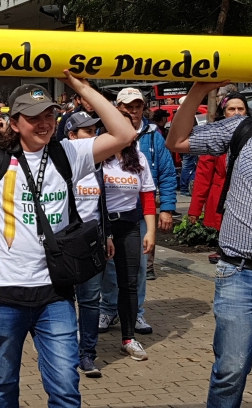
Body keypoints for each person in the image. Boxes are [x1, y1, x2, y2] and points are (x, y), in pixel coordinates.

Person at [0, 71, 136, 408]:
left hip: (56, 293)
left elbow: (124, 132)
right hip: (4, 293)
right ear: (15, 122)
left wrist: (82, 88)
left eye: (49, 115)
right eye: (33, 117)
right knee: (4, 384)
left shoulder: (70, 153)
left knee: (66, 388)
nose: (44, 123)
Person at [166, 79, 252, 408]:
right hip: (241, 273)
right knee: (231, 369)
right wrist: (196, 91)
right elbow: (177, 141)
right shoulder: (243, 129)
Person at [99, 87, 176, 335]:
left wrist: (167, 208)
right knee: (109, 267)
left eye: (137, 106)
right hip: (107, 216)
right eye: (127, 107)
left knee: (139, 267)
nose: (133, 111)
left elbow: (166, 173)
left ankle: (136, 314)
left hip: (139, 214)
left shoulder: (154, 135)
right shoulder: (104, 135)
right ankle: (108, 310)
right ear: (118, 108)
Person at [98, 113, 157, 361]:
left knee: (129, 283)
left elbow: (147, 196)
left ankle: (129, 338)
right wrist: (104, 233)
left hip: (130, 225)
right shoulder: (98, 155)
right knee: (90, 285)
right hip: (99, 226)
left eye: (130, 127)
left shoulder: (139, 157)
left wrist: (151, 231)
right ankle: (83, 339)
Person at [65, 111, 113, 378]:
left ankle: (87, 354)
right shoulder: (58, 164)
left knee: (90, 300)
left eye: (95, 131)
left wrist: (106, 236)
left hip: (92, 243)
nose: (93, 136)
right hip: (63, 244)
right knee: (62, 300)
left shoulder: (100, 164)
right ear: (72, 136)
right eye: (87, 132)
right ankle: (65, 350)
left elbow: (101, 207)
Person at [187, 93, 252, 265]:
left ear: (247, 112)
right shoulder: (215, 136)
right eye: (232, 109)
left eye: (241, 109)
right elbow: (203, 175)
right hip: (223, 200)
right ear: (224, 113)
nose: (237, 113)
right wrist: (195, 209)